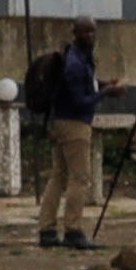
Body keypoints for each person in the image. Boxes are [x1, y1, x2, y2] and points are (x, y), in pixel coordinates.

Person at [20, 26, 104, 246]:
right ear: (75, 34)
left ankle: (46, 230)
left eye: (93, 31)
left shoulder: (73, 58)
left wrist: (102, 86)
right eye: (86, 32)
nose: (91, 36)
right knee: (80, 177)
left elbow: (79, 90)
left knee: (58, 176)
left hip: (59, 121)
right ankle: (73, 230)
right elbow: (80, 101)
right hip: (74, 125)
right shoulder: (75, 64)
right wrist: (106, 93)